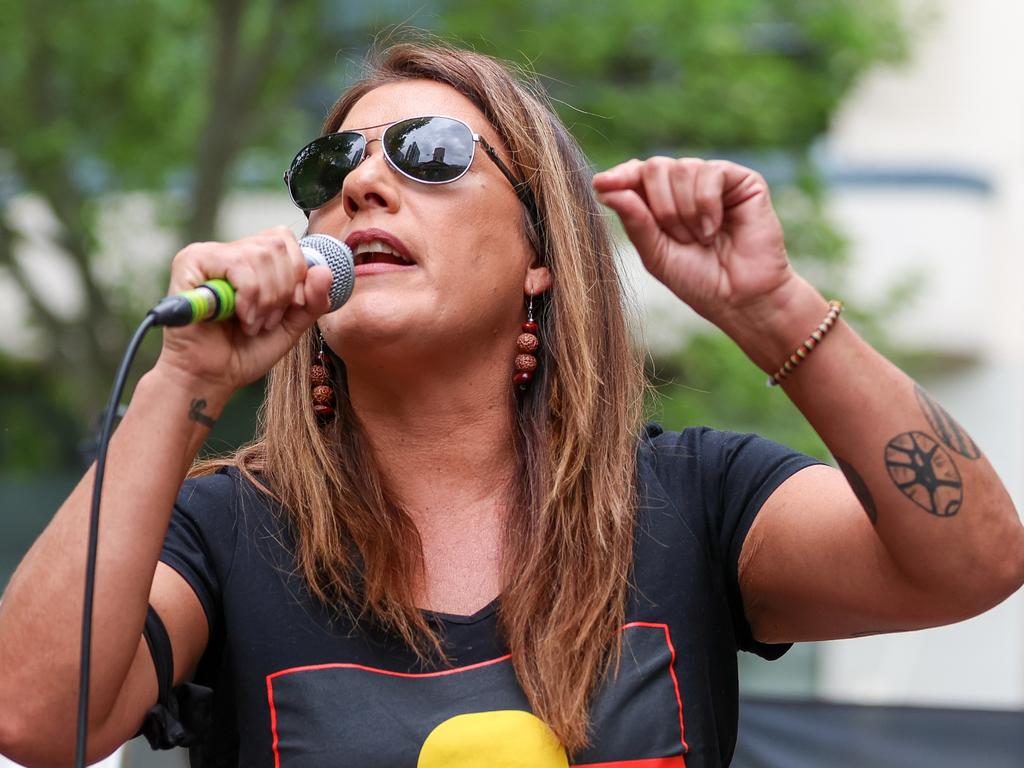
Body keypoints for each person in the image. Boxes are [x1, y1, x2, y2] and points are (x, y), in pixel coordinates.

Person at [1, 40, 1022, 768]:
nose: (362, 188)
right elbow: (37, 719)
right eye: (333, 166)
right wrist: (182, 381)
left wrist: (767, 307)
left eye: (429, 155)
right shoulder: (227, 532)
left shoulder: (689, 498)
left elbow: (974, 560)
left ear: (540, 255)